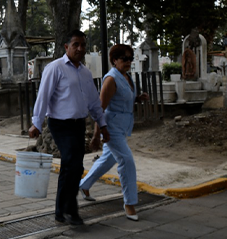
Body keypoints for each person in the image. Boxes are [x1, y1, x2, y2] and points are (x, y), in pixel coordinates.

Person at [29, 30, 110, 226]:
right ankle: (70, 210)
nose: (80, 49)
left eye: (83, 45)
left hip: (78, 124)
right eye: (76, 45)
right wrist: (36, 123)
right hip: (60, 123)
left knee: (74, 166)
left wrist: (103, 125)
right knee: (72, 163)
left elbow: (93, 102)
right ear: (67, 47)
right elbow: (44, 96)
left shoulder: (85, 72)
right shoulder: (55, 68)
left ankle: (62, 210)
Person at [78, 44, 149, 220]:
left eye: (130, 59)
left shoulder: (126, 77)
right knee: (126, 160)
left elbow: (124, 99)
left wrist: (138, 98)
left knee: (107, 159)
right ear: (114, 60)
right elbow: (99, 109)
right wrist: (96, 135)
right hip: (110, 127)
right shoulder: (111, 79)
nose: (128, 62)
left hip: (123, 126)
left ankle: (84, 185)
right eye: (124, 59)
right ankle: (130, 203)